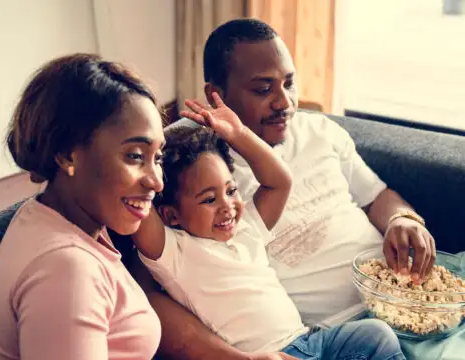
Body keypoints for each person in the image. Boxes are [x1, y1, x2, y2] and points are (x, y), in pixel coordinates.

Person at [126, 18, 437, 360]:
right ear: (217, 95)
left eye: (289, 84)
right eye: (263, 89)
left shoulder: (317, 134)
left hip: (408, 300)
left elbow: (376, 196)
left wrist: (403, 220)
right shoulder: (191, 173)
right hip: (310, 337)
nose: (284, 102)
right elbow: (146, 279)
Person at [132, 93, 405, 360]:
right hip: (267, 356)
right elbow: (140, 205)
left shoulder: (247, 227)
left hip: (309, 341)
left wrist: (238, 133)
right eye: (209, 199)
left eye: (231, 190)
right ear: (170, 216)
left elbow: (280, 180)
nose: (227, 205)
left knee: (376, 334)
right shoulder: (174, 252)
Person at [0, 54, 164, 360]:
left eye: (157, 158)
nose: (156, 182)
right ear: (67, 155)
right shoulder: (66, 268)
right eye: (135, 156)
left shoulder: (49, 217)